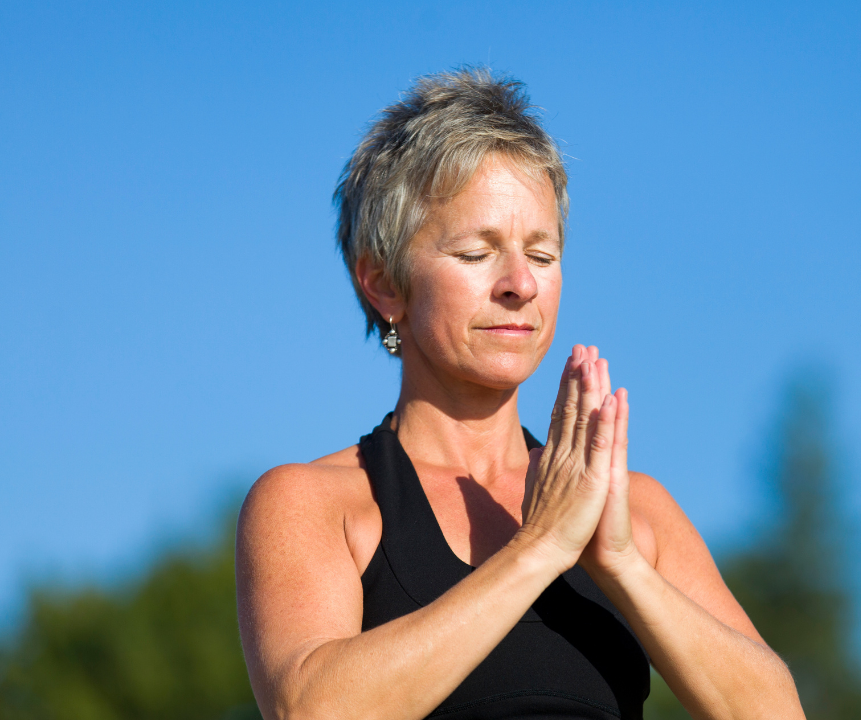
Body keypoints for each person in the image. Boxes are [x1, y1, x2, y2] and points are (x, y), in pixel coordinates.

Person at [235, 68, 805, 720]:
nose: (520, 285)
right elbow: (313, 709)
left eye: (541, 255)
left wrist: (619, 564)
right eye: (478, 253)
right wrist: (539, 551)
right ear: (383, 283)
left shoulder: (631, 510)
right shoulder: (315, 503)